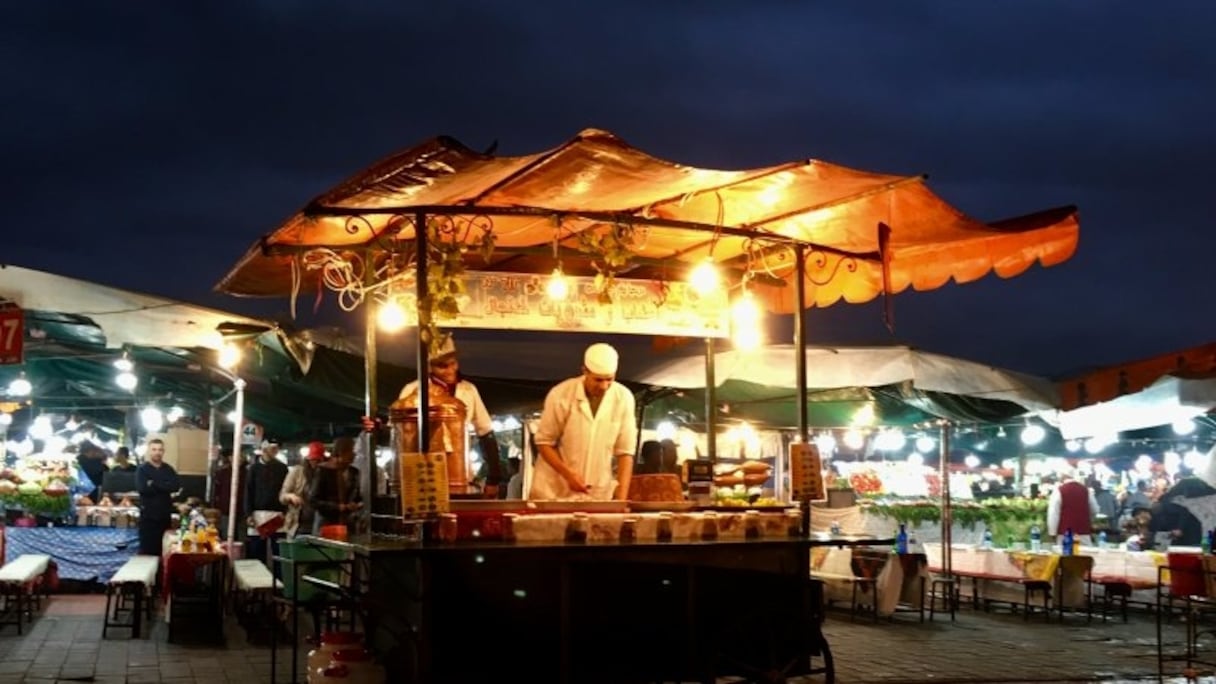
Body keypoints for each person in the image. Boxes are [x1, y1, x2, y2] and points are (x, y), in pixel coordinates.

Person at [393, 335, 503, 496]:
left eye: (453, 364)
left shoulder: (468, 390)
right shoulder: (412, 391)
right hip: (421, 474)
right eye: (443, 366)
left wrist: (493, 478)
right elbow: (397, 432)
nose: (451, 370)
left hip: (460, 472)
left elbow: (485, 432)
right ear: (429, 367)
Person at [530, 342, 637, 501]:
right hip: (554, 492)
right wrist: (567, 474)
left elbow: (625, 453)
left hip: (597, 493)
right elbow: (544, 442)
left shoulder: (624, 398)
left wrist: (621, 501)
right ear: (584, 371)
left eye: (609, 379)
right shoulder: (561, 394)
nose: (604, 386)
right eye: (598, 380)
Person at [245, 440, 288, 563]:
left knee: (279, 552)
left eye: (276, 448)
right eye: (272, 448)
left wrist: (285, 511)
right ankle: (258, 581)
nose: (275, 451)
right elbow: (248, 491)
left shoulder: (282, 468)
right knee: (257, 551)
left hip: (278, 514)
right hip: (258, 514)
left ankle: (279, 580)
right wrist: (249, 513)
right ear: (264, 449)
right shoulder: (253, 469)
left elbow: (286, 489)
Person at [136, 438, 181, 556]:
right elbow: (143, 489)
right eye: (154, 449)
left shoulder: (168, 469)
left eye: (160, 450)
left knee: (165, 551)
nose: (157, 452)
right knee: (148, 550)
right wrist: (164, 485)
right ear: (149, 451)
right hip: (148, 517)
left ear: (163, 451)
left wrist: (154, 484)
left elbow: (175, 486)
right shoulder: (142, 470)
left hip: (164, 516)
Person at [309, 436, 362, 534]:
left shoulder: (354, 472)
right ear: (341, 452)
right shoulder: (324, 470)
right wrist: (337, 507)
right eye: (351, 451)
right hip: (326, 525)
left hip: (347, 526)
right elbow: (313, 500)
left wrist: (356, 504)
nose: (354, 454)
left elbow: (357, 496)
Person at [280, 441, 324, 539]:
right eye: (313, 460)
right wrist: (291, 496)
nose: (315, 463)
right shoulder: (297, 472)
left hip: (318, 525)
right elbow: (282, 496)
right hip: (297, 524)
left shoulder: (324, 474)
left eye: (318, 460)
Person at [1047, 473, 1100, 544]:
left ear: (1062, 480)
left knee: (1066, 554)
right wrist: (1088, 519)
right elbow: (1095, 510)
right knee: (1085, 554)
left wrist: (1052, 533)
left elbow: (1053, 514)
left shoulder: (1059, 491)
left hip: (1064, 534)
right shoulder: (1086, 490)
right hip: (1083, 533)